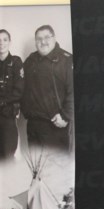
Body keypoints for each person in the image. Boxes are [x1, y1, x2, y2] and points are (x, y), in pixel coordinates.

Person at [21, 25, 71, 152]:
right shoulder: (30, 60)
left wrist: (65, 116)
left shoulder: (66, 60)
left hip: (55, 125)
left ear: (54, 38)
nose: (43, 42)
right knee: (35, 169)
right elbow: (22, 86)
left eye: (46, 37)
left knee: (55, 169)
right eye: (38, 39)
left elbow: (74, 92)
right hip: (33, 125)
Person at [0, 29, 23, 160]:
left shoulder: (15, 62)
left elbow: (19, 91)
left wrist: (2, 102)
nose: (1, 43)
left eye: (4, 39)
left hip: (7, 115)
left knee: (7, 154)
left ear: (10, 42)